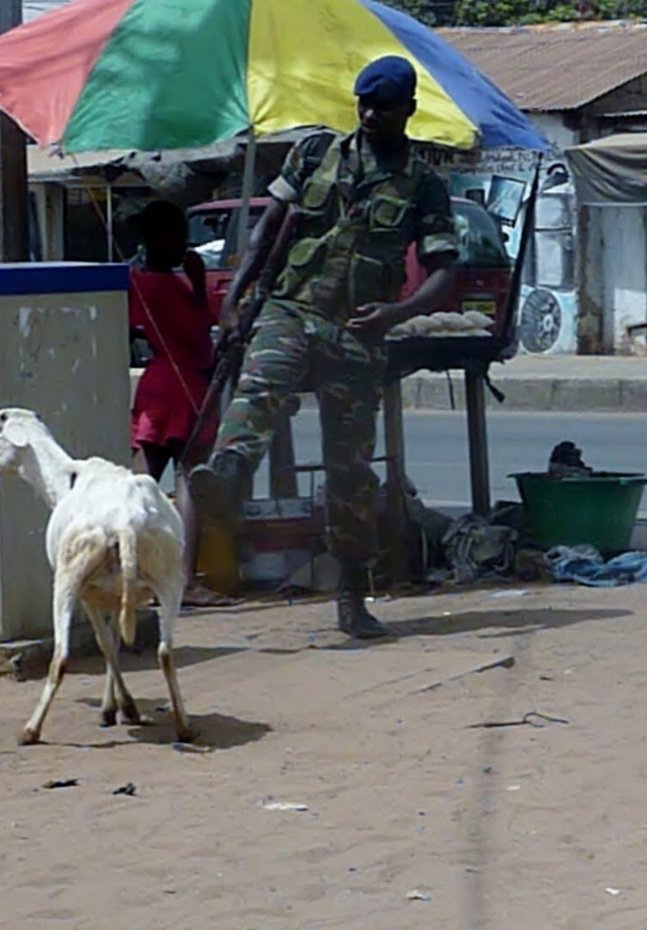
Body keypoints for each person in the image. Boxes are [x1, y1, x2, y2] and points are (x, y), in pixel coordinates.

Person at [187, 55, 458, 640]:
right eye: (363, 102)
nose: (369, 114)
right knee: (262, 383)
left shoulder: (423, 182)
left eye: (383, 106)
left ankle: (352, 597)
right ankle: (227, 476)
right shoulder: (314, 154)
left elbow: (443, 271)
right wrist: (234, 299)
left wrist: (398, 313)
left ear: (408, 111)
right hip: (292, 308)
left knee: (350, 472)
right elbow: (266, 229)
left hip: (359, 334)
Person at [125, 200, 230, 608]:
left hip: (154, 383)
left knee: (141, 487)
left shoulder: (137, 282)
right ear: (163, 238)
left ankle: (138, 575)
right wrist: (200, 285)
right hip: (183, 383)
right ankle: (184, 580)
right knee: (190, 480)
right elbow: (195, 332)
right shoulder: (170, 285)